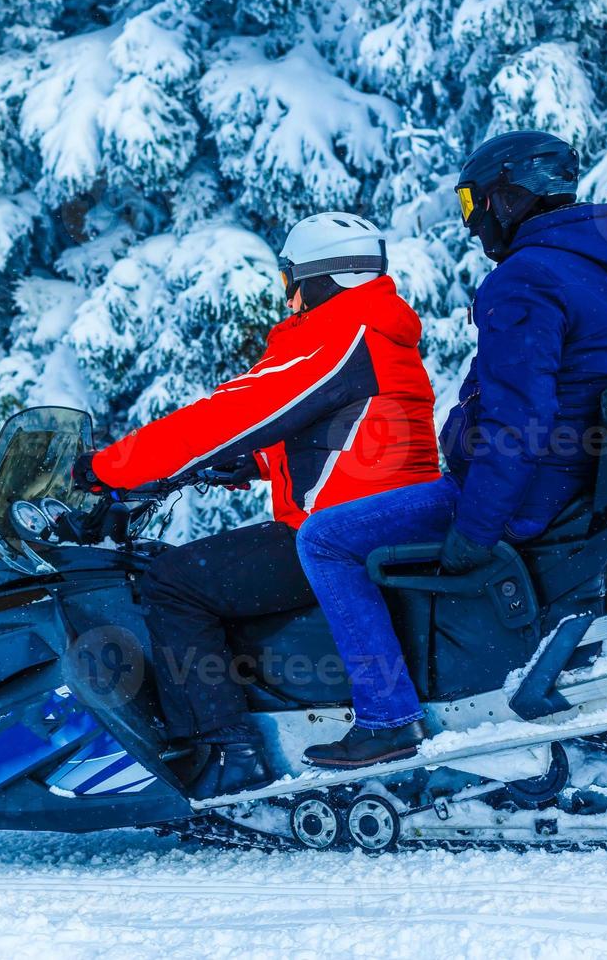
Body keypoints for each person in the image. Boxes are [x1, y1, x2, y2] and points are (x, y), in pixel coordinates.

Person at [298, 130, 607, 769]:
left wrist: (478, 525)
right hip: (575, 487)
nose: (473, 223)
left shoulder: (525, 279)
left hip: (526, 495)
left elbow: (518, 420)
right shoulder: (605, 276)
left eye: (473, 202)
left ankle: (387, 717)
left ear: (507, 196)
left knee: (323, 538)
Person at [72, 212, 441, 798]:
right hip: (381, 513)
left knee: (174, 579)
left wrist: (105, 469)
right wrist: (259, 463)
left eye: (290, 279)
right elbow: (363, 434)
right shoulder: (374, 331)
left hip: (339, 529)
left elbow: (230, 415)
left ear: (320, 278)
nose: (288, 296)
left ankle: (227, 753)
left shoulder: (343, 333)